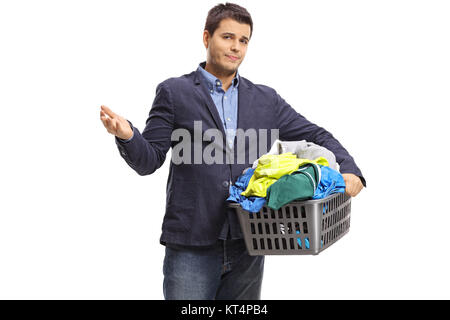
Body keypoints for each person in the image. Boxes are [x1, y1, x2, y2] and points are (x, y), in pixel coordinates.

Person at [99, 3, 365, 300]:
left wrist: (349, 167)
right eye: (227, 37)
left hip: (249, 243)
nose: (235, 47)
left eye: (243, 40)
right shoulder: (175, 93)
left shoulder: (266, 100)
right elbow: (148, 160)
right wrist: (127, 135)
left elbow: (315, 134)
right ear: (206, 38)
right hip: (191, 246)